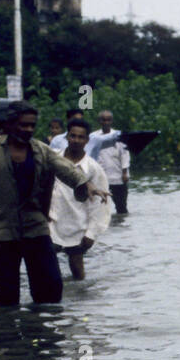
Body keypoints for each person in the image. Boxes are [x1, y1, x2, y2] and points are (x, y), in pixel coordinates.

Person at [0, 101, 108, 307]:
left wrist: (86, 183)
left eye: (32, 125)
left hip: (35, 226)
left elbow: (65, 168)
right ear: (10, 124)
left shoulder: (40, 150)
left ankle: (42, 331)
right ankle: (9, 335)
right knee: (7, 296)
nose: (28, 129)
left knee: (51, 289)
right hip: (2, 229)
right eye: (23, 125)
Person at [50, 118, 110, 280]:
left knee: (77, 268)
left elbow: (101, 205)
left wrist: (91, 233)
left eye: (80, 137)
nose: (76, 140)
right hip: (51, 220)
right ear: (66, 137)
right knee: (47, 267)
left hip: (76, 223)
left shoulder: (93, 168)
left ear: (87, 140)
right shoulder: (52, 159)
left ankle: (81, 302)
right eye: (72, 136)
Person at [94, 110, 130, 215]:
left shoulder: (118, 135)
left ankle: (121, 225)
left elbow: (125, 155)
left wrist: (124, 173)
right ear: (99, 121)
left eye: (108, 120)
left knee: (121, 207)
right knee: (100, 207)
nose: (106, 122)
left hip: (118, 177)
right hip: (100, 178)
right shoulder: (94, 137)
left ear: (112, 121)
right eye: (103, 120)